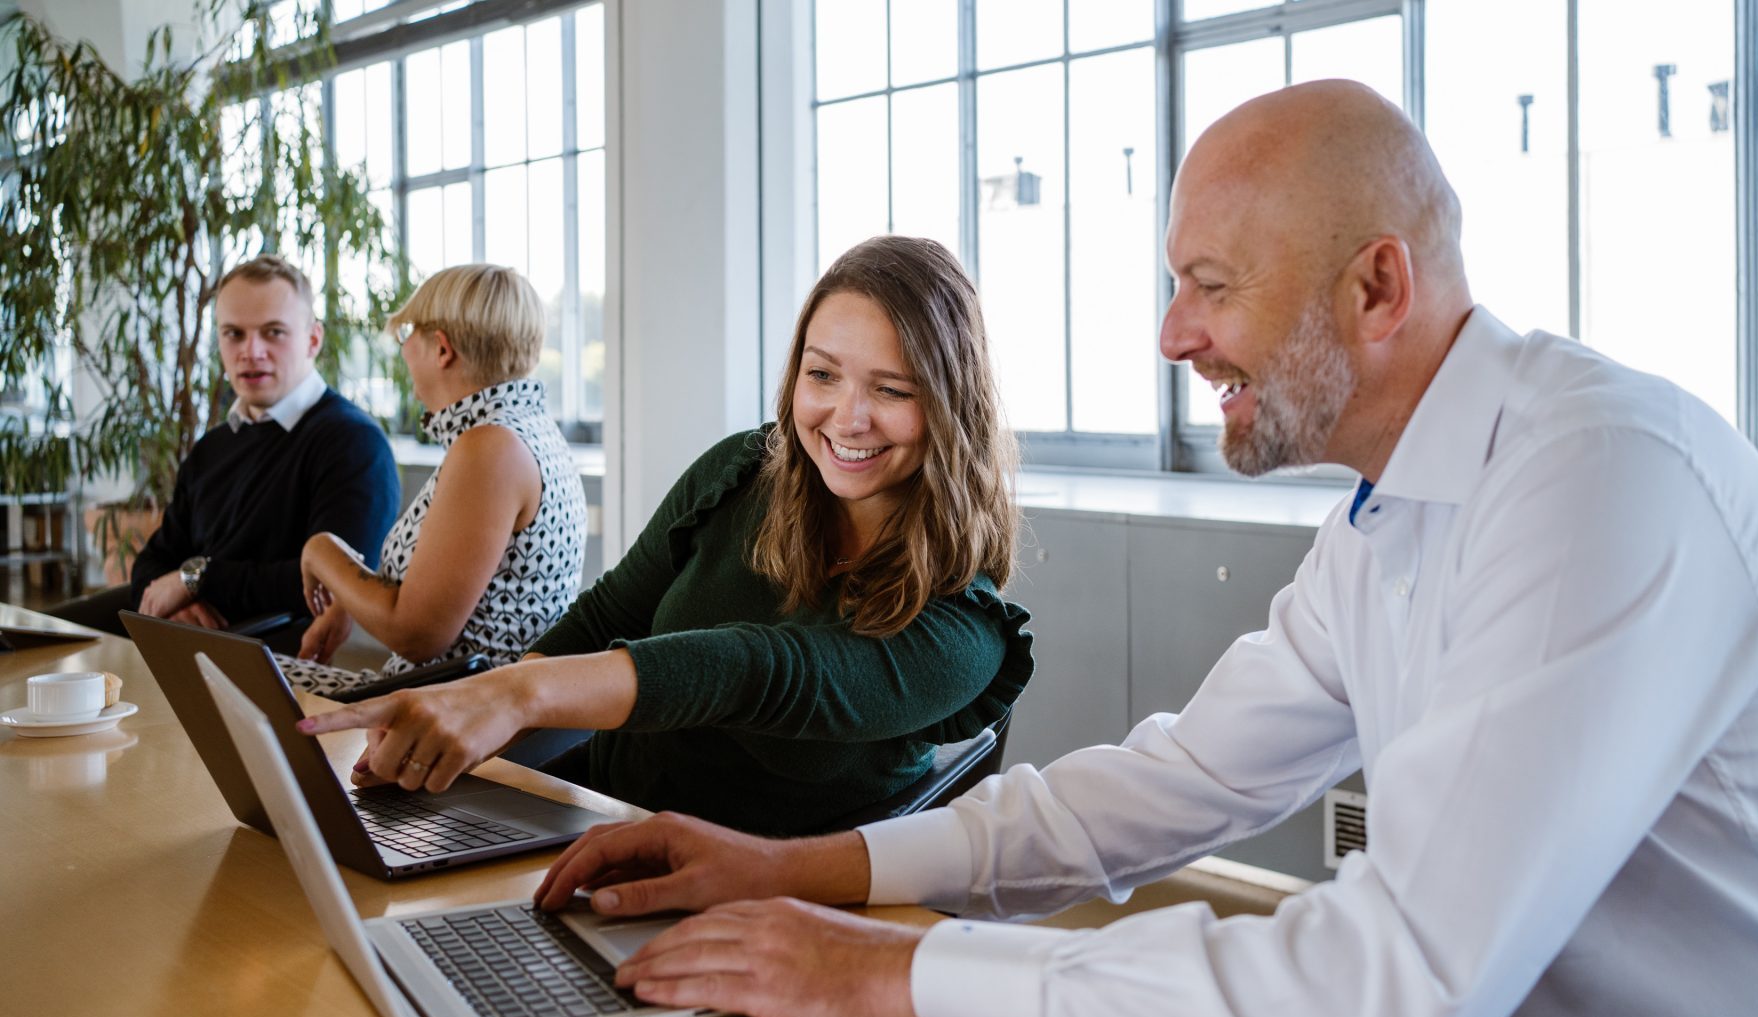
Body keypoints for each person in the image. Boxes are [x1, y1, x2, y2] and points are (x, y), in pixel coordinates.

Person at [517, 82, 1758, 1017]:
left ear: (1377, 288)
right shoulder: (1390, 523)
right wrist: (794, 872)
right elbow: (1165, 786)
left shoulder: (1602, 478)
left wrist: (901, 972)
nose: (1176, 333)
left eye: (1213, 284)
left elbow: (1389, 991)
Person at [302, 236, 1034, 837]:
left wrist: (515, 694)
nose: (847, 417)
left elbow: (757, 672)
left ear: (948, 405)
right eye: (823, 376)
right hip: (599, 822)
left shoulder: (965, 633)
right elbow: (607, 616)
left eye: (892, 390)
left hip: (758, 901)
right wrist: (470, 725)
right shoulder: (741, 473)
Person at [45, 255, 399, 641]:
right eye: (234, 334)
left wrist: (198, 580)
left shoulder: (354, 443)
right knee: (28, 641)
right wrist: (179, 598)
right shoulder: (213, 446)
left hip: (257, 644)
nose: (251, 351)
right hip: (179, 626)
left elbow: (335, 584)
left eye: (273, 332)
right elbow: (154, 559)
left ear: (313, 339)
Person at [277, 263, 587, 696]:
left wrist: (321, 552)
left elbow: (416, 635)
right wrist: (351, 597)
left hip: (451, 713)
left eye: (407, 337)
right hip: (449, 698)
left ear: (441, 349)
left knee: (228, 675)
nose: (403, 354)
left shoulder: (490, 448)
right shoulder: (524, 430)